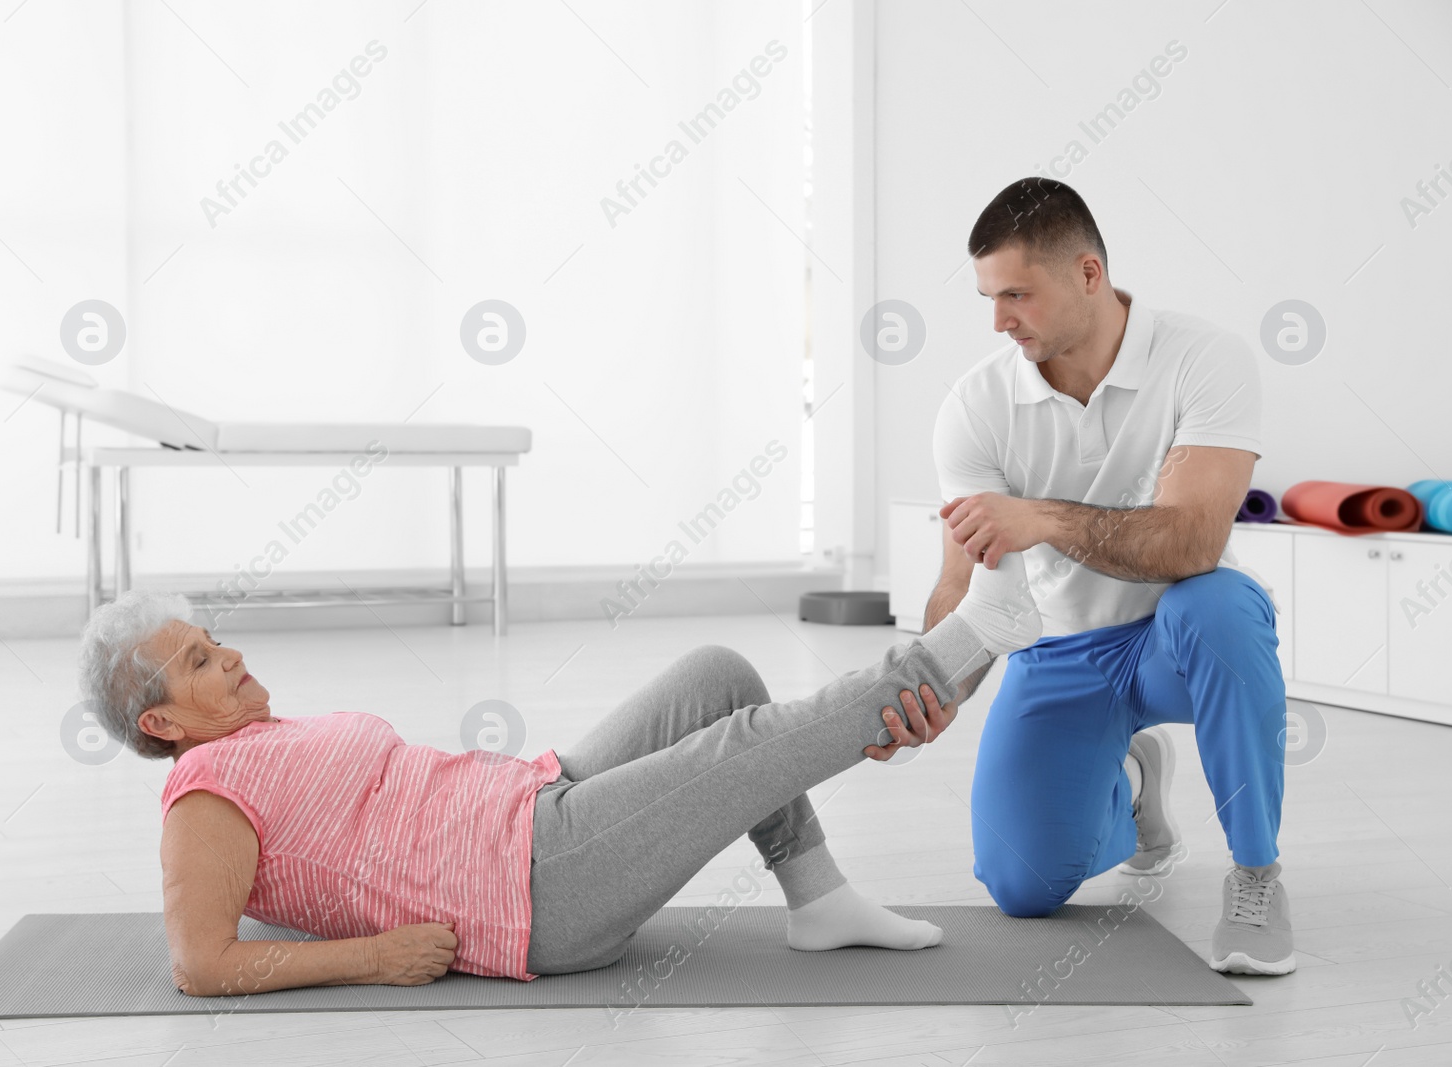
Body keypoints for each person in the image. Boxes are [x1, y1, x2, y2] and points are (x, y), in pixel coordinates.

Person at [78, 560, 1043, 995]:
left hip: (534, 800)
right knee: (743, 741)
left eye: (213, 640)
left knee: (716, 676)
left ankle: (818, 898)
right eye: (200, 662)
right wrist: (374, 957)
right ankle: (947, 653)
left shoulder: (260, 737)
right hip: (535, 888)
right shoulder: (201, 797)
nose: (230, 655)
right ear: (159, 723)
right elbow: (199, 962)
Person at [928, 176, 1292, 975]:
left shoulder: (1204, 358)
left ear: (1089, 274)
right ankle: (1130, 784)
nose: (999, 320)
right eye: (990, 297)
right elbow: (963, 578)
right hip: (1058, 651)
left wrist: (1046, 519)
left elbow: (1193, 541)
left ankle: (1257, 874)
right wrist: (922, 687)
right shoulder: (976, 404)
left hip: (1177, 638)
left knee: (1221, 605)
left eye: (1017, 293)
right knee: (1021, 885)